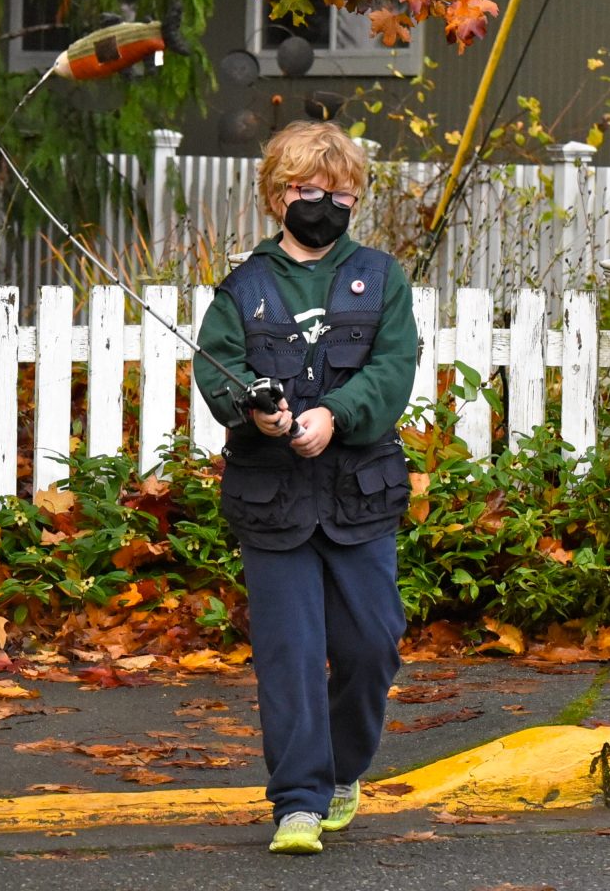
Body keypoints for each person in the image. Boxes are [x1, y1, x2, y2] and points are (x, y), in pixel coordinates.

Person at [192, 120, 418, 854]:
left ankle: (343, 769)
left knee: (371, 645)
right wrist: (254, 414)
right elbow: (216, 368)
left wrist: (334, 414)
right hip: (273, 499)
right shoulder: (243, 288)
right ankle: (296, 800)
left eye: (340, 192)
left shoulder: (383, 277)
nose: (324, 202)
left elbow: (393, 371)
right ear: (278, 193)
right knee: (288, 653)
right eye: (308, 190)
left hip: (359, 494)